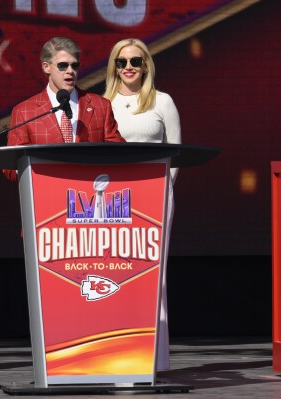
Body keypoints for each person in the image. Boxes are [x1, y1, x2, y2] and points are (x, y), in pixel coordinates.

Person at [104, 38, 181, 371]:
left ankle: (157, 360)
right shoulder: (100, 103)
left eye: (135, 60)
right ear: (114, 67)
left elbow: (176, 154)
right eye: (122, 63)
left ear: (146, 64)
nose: (129, 67)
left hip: (155, 196)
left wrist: (163, 190)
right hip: (111, 202)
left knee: (154, 275)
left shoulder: (162, 102)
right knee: (114, 272)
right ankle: (114, 352)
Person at [3, 37, 125, 181]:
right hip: (48, 194)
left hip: (91, 194)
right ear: (46, 67)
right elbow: (11, 168)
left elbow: (119, 152)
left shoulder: (100, 105)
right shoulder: (24, 112)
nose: (70, 71)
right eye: (63, 66)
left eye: (74, 66)